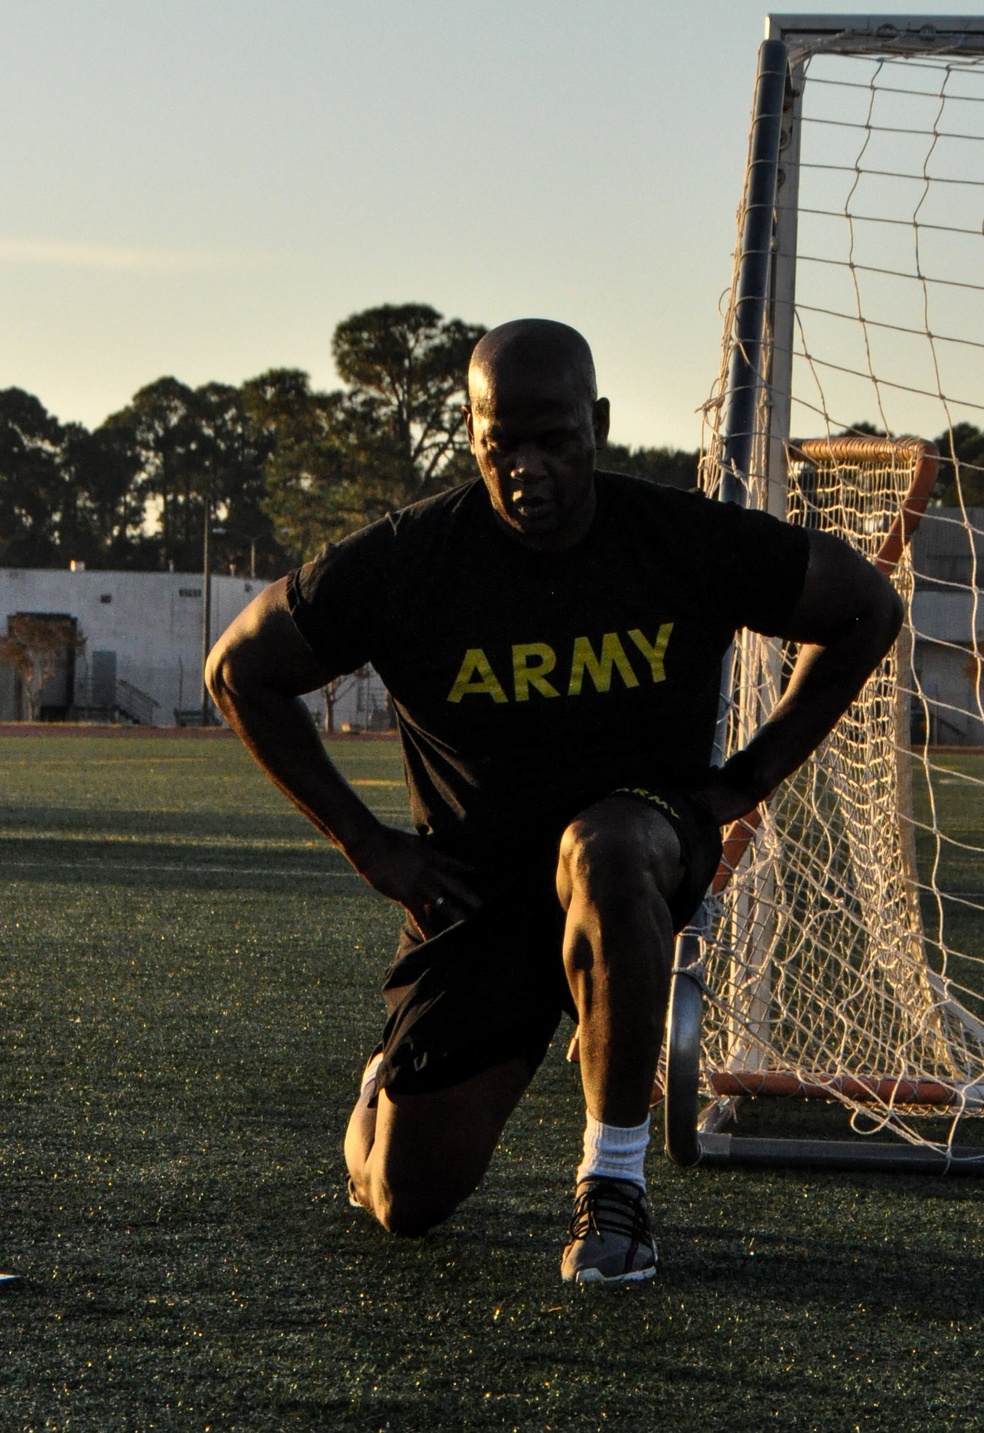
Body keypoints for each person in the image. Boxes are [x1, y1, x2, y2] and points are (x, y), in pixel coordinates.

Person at [206, 319, 903, 1284]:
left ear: (599, 426)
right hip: (479, 890)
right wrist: (368, 844)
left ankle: (613, 1186)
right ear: (471, 433)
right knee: (402, 1199)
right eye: (504, 446)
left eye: (556, 440)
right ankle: (388, 1080)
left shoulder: (676, 538)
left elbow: (867, 605)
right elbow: (240, 668)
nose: (529, 468)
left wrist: (747, 778)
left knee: (603, 845)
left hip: (639, 842)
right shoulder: (410, 559)